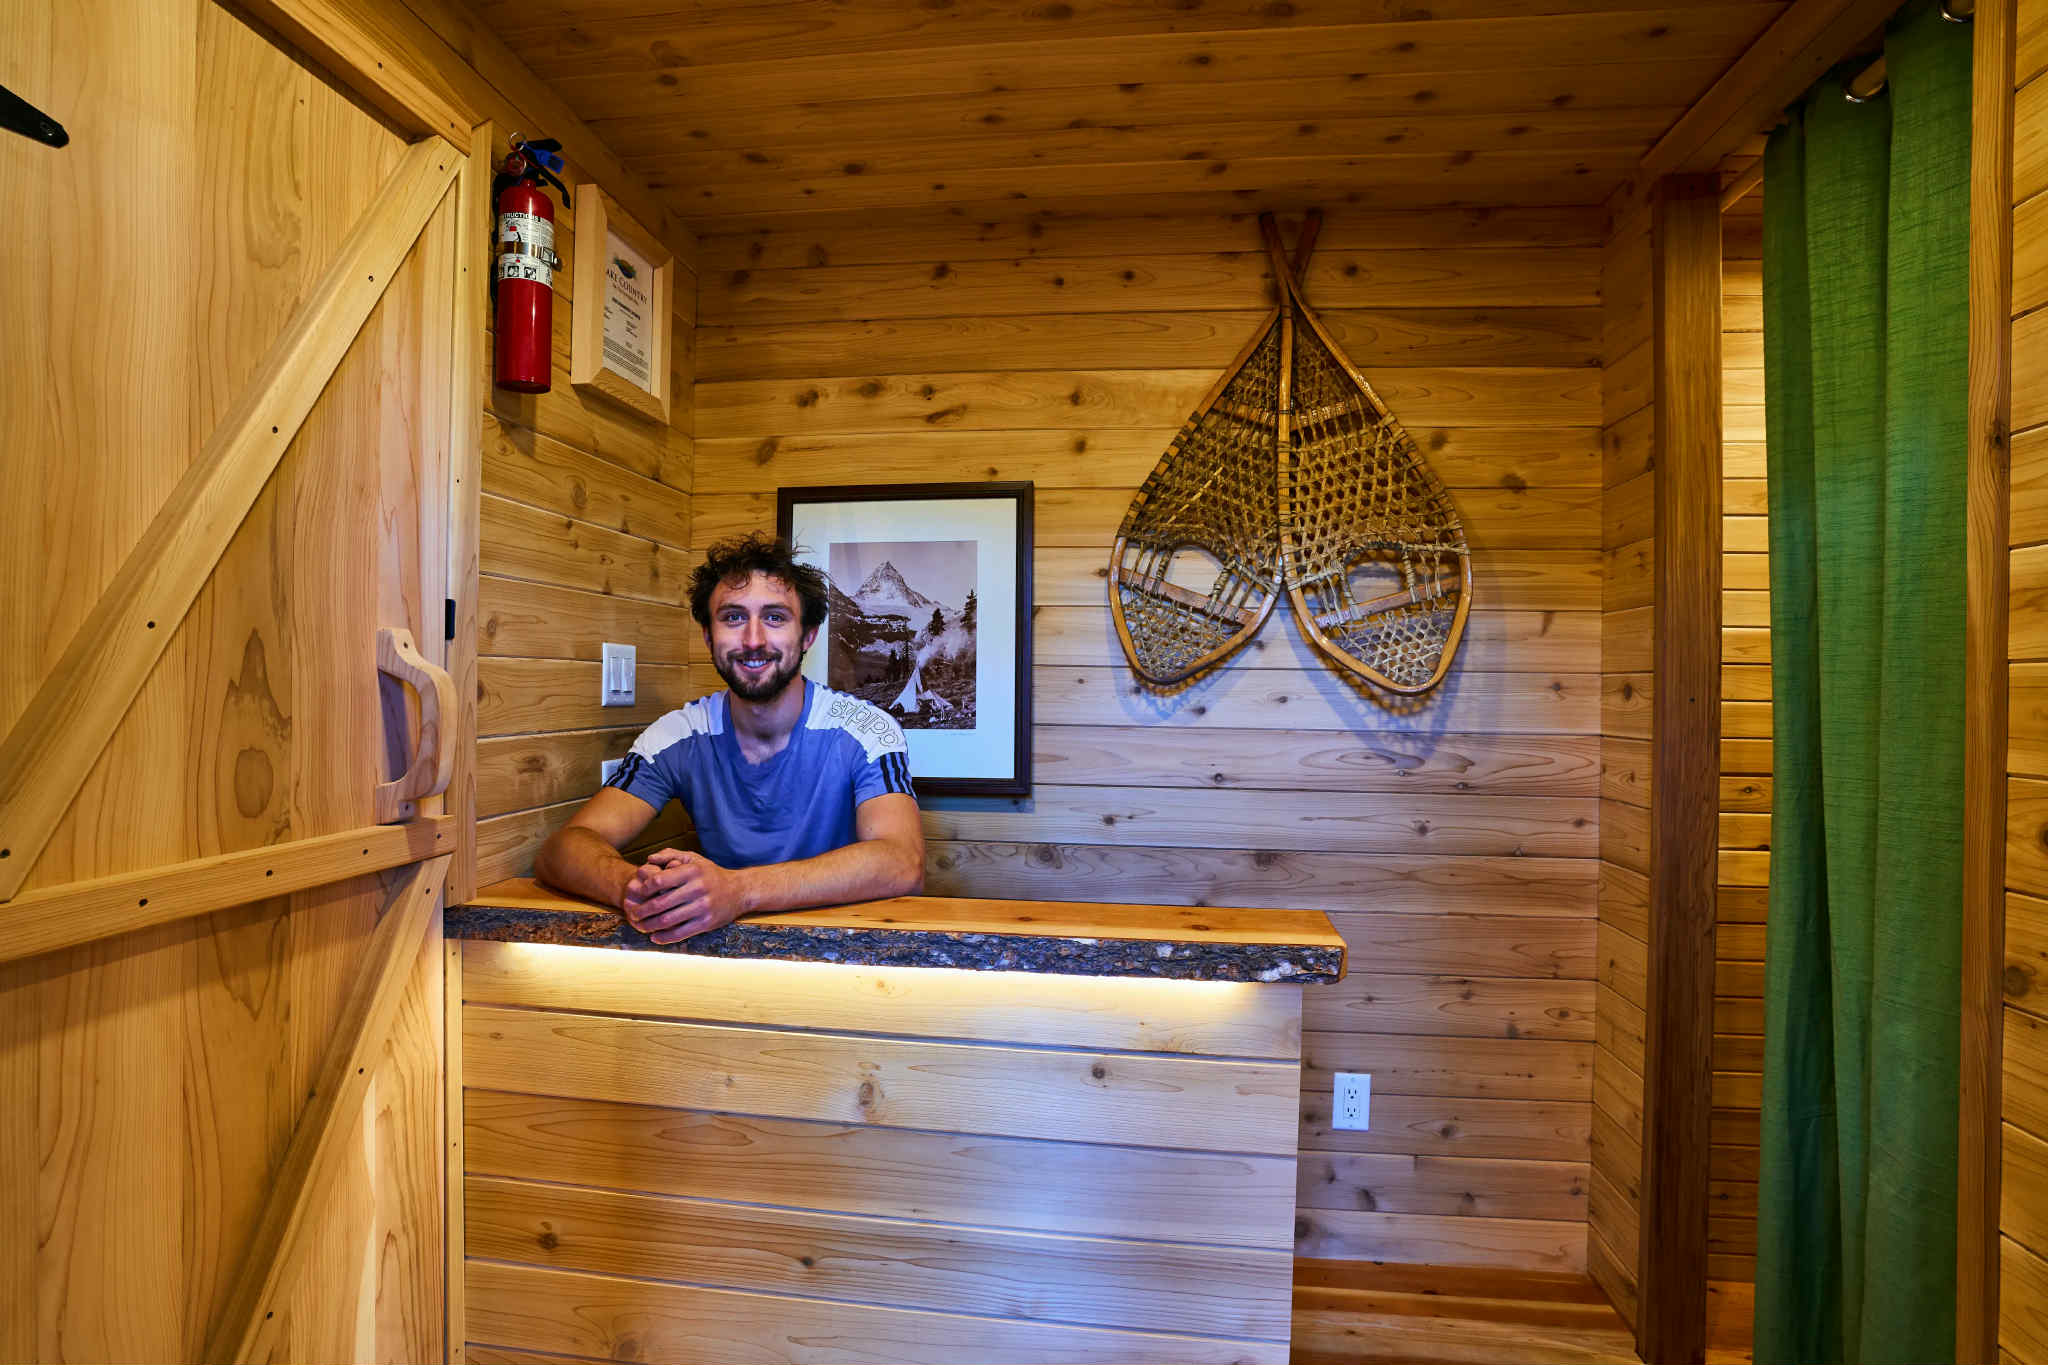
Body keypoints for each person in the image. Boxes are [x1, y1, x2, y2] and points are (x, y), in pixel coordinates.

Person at [533, 533, 924, 943]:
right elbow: (562, 850)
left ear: (807, 635)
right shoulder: (676, 734)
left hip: (848, 955)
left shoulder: (867, 729)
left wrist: (739, 891)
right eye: (733, 618)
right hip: (721, 956)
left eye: (775, 617)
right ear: (707, 635)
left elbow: (903, 862)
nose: (753, 640)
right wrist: (633, 888)